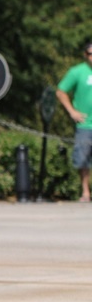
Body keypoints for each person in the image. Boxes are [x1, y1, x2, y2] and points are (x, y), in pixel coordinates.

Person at [56, 42, 92, 202]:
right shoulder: (77, 72)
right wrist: (72, 111)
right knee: (83, 159)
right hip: (85, 124)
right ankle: (85, 192)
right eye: (90, 53)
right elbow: (61, 91)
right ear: (85, 55)